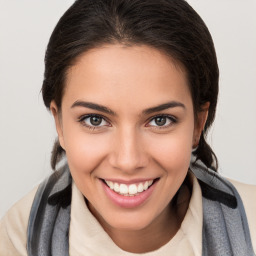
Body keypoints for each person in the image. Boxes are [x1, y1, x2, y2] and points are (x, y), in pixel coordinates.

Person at [0, 0, 255, 255]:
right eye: (95, 120)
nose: (128, 161)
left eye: (160, 120)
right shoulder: (20, 237)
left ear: (198, 124)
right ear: (60, 124)